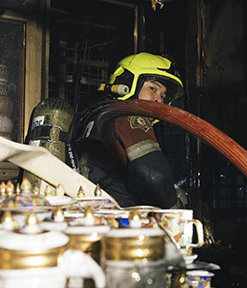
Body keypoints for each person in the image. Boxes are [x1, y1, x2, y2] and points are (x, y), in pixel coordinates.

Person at [71, 52, 185, 208]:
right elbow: (153, 174)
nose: (159, 100)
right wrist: (175, 208)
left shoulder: (94, 113)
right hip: (118, 215)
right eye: (152, 88)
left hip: (90, 206)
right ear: (129, 83)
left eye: (163, 96)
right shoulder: (128, 116)